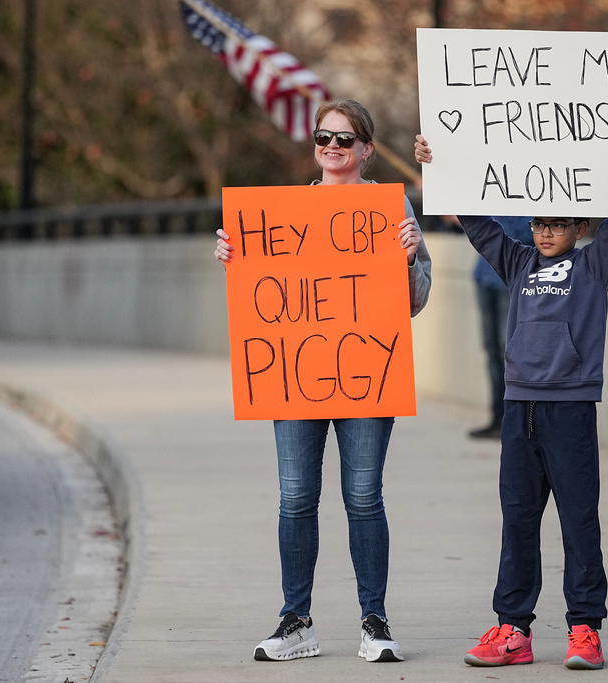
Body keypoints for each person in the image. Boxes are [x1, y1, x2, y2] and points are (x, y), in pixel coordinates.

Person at [413, 129, 608, 670]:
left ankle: (584, 630)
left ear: (580, 227)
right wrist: (440, 167)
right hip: (518, 407)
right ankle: (512, 630)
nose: (547, 232)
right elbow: (476, 223)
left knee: (578, 518)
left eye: (558, 224)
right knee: (518, 518)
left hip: (570, 409)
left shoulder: (595, 266)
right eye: (540, 223)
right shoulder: (518, 262)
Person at [216, 98, 432, 663]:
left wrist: (409, 259)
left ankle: (374, 620)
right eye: (323, 138)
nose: (331, 148)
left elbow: (414, 302)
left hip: (366, 373)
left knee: (363, 497)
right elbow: (264, 298)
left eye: (344, 139)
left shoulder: (391, 206)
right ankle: (296, 621)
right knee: (295, 498)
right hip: (295, 374)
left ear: (366, 149)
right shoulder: (284, 211)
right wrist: (234, 258)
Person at [468, 215, 534, 440]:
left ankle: (516, 420)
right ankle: (498, 417)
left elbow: (526, 232)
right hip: (485, 275)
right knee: (492, 352)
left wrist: (490, 221)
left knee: (512, 353)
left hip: (511, 279)